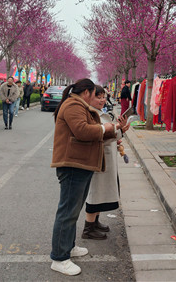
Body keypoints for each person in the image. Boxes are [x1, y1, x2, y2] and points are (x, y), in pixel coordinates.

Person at [50, 78, 126, 276]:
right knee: (67, 212)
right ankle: (59, 257)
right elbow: (83, 131)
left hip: (80, 164)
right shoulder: (73, 105)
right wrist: (106, 128)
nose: (97, 98)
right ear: (86, 93)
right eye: (95, 94)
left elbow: (94, 134)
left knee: (73, 211)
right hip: (72, 164)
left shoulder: (79, 105)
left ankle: (68, 247)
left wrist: (115, 129)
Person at [83, 85, 130, 240]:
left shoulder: (100, 112)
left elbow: (109, 134)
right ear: (89, 96)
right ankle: (88, 228)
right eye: (98, 97)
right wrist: (117, 128)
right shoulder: (89, 114)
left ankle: (95, 222)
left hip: (106, 158)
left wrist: (121, 130)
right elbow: (97, 134)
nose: (102, 100)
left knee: (102, 192)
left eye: (104, 97)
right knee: (95, 192)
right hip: (98, 159)